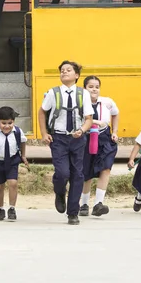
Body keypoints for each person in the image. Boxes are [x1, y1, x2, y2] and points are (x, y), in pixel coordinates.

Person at [38, 60, 93, 225]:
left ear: (76, 75)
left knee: (78, 174)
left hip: (77, 138)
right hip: (59, 138)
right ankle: (60, 192)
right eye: (62, 70)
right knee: (62, 173)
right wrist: (44, 133)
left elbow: (88, 119)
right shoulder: (53, 93)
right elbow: (42, 112)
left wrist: (82, 130)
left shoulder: (84, 94)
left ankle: (73, 213)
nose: (64, 72)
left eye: (68, 70)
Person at [79, 75, 119, 217]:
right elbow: (81, 119)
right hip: (86, 137)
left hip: (103, 137)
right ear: (84, 89)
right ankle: (84, 204)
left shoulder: (107, 102)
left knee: (106, 168)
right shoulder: (80, 103)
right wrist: (95, 120)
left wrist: (114, 131)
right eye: (90, 87)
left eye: (97, 87)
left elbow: (115, 114)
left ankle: (98, 203)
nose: (94, 89)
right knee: (86, 171)